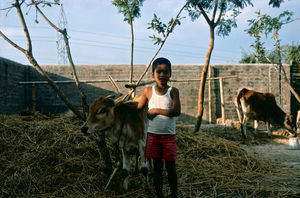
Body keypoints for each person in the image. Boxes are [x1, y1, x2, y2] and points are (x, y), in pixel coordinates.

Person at [136, 57, 181, 198]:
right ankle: (159, 194)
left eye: (165, 71)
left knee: (171, 168)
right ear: (153, 73)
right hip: (153, 137)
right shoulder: (148, 91)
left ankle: (174, 194)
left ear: (170, 74)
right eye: (159, 71)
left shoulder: (173, 91)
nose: (162, 74)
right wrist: (121, 106)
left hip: (169, 137)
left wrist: (156, 110)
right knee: (156, 169)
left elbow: (176, 111)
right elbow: (138, 107)